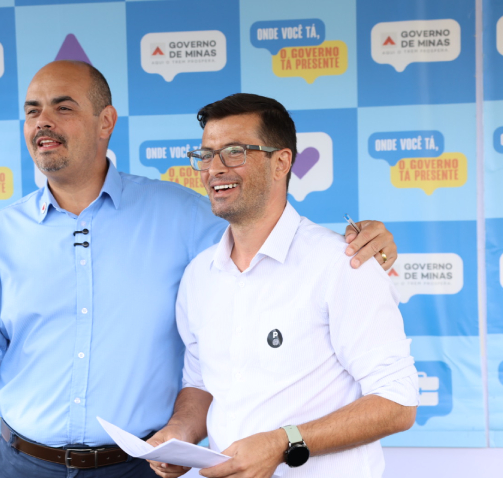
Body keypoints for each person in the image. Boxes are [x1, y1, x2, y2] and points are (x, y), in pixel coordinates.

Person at [0, 61, 400, 478]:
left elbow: (268, 228)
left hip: (133, 468)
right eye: (32, 110)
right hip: (21, 463)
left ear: (106, 122)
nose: (43, 122)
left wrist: (370, 242)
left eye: (63, 107)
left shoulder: (186, 215)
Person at [147, 94, 418, 478]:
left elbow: (398, 402)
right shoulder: (198, 275)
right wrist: (180, 433)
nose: (215, 169)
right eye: (206, 155)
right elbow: (202, 384)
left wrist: (283, 443)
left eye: (234, 152)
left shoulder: (343, 264)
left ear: (281, 162)